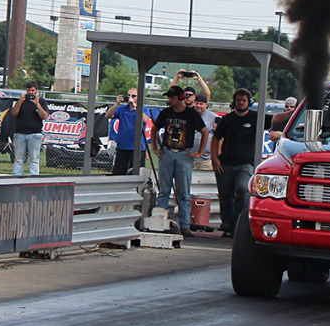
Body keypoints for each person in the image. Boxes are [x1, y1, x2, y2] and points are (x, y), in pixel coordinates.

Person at [151, 85, 208, 235]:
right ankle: (158, 222)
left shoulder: (191, 114)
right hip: (167, 153)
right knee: (164, 190)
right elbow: (154, 128)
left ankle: (185, 226)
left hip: (184, 154)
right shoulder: (165, 113)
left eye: (172, 97)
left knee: (183, 192)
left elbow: (205, 132)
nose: (169, 100)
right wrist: (155, 147)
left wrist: (199, 152)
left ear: (180, 98)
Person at [210, 88, 259, 238]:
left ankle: (238, 223)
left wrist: (293, 111)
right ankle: (227, 225)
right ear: (234, 102)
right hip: (226, 164)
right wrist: (214, 158)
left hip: (246, 164)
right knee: (225, 196)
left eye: (244, 100)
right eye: (238, 100)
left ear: (249, 102)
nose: (241, 103)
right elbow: (215, 138)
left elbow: (277, 119)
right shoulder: (227, 119)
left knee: (243, 190)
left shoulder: (257, 117)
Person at [108, 89, 154, 175]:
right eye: (129, 95)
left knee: (137, 172)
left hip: (137, 147)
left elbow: (145, 119)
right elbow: (108, 115)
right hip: (123, 146)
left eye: (133, 96)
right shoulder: (122, 109)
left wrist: (135, 106)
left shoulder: (143, 108)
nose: (130, 97)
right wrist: (117, 103)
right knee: (118, 172)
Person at [7, 81, 49, 177]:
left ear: (36, 91)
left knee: (34, 159)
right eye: (28, 90)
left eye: (32, 90)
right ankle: (16, 177)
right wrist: (20, 101)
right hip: (20, 133)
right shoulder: (22, 101)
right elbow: (14, 113)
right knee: (18, 159)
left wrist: (37, 104)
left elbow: (44, 116)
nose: (30, 92)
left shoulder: (41, 101)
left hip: (35, 134)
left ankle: (33, 178)